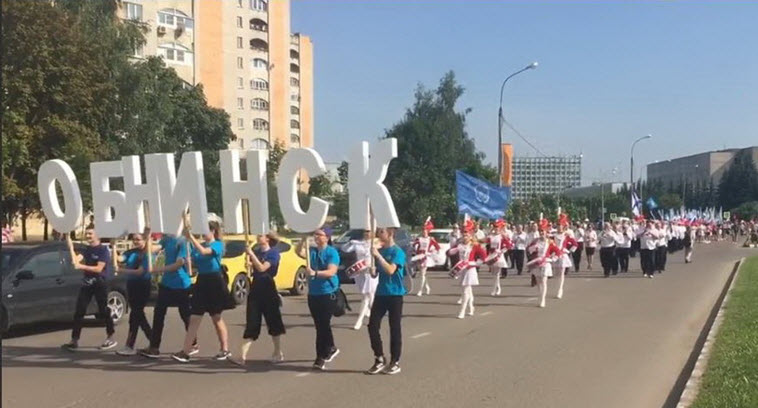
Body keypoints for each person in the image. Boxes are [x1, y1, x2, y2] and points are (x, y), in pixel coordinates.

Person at [172, 219, 233, 363]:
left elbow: (205, 252)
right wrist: (187, 262)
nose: (203, 234)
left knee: (216, 317)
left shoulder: (217, 245)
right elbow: (193, 260)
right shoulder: (199, 245)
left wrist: (191, 237)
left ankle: (225, 349)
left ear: (212, 231)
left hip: (214, 282)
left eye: (206, 231)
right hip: (202, 282)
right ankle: (185, 351)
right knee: (194, 317)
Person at [139, 232, 196, 359]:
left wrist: (157, 270)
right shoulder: (167, 239)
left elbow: (178, 264)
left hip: (181, 284)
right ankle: (154, 347)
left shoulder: (183, 241)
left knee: (185, 314)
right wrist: (147, 240)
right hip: (166, 283)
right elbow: (154, 248)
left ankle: (193, 343)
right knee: (158, 313)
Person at [61, 225, 117, 351]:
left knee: (103, 310)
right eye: (87, 234)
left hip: (100, 283)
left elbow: (98, 268)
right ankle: (74, 340)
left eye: (90, 234)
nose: (88, 236)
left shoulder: (103, 250)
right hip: (87, 283)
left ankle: (110, 336)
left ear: (97, 235)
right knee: (79, 311)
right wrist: (73, 254)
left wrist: (81, 267)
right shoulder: (87, 249)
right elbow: (77, 259)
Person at [234, 232, 286, 365]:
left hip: (268, 288)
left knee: (273, 321)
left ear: (267, 239)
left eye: (261, 235)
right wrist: (249, 264)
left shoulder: (273, 253)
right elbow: (255, 269)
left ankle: (277, 352)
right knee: (252, 320)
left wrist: (251, 255)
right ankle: (242, 356)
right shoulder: (257, 252)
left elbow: (263, 268)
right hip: (256, 288)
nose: (258, 237)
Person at [297, 228, 341, 371]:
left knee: (323, 324)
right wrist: (302, 240)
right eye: (315, 235)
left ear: (327, 237)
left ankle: (320, 357)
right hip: (313, 294)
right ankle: (331, 347)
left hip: (328, 293)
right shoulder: (313, 251)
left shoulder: (331, 252)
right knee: (320, 325)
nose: (316, 237)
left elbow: (331, 272)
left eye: (319, 235)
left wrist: (315, 273)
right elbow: (299, 252)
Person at [366, 227, 406, 375]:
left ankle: (395, 361)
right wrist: (373, 271)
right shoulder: (380, 251)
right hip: (381, 294)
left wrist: (378, 257)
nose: (378, 235)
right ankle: (379, 358)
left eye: (381, 232)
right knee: (372, 326)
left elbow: (390, 270)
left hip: (395, 294)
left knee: (394, 328)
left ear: (390, 234)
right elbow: (379, 272)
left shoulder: (397, 252)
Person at [115, 231, 153, 356]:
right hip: (131, 285)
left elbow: (140, 272)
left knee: (136, 315)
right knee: (137, 316)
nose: (136, 241)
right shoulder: (130, 252)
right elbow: (120, 259)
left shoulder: (147, 254)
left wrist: (121, 270)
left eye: (138, 239)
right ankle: (152, 342)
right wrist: (113, 247)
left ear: (144, 240)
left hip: (143, 285)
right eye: (134, 239)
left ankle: (137, 344)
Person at [448, 220, 486, 319]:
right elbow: (449, 253)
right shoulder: (459, 245)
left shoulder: (474, 245)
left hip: (470, 270)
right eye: (464, 235)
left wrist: (473, 263)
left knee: (465, 290)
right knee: (468, 290)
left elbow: (483, 257)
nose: (465, 237)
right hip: (462, 269)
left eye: (467, 235)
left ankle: (462, 311)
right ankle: (471, 307)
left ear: (470, 235)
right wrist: (454, 250)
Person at [342, 229, 377, 330]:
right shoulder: (358, 244)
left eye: (369, 231)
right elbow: (344, 249)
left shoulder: (376, 242)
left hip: (371, 272)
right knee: (367, 295)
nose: (367, 233)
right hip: (360, 272)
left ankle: (360, 320)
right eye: (365, 231)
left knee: (368, 295)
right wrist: (350, 242)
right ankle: (373, 314)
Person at [526, 228, 561, 308]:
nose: (541, 233)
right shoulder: (535, 241)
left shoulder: (550, 242)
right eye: (540, 231)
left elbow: (557, 251)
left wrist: (552, 259)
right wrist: (533, 249)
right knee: (538, 282)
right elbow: (529, 250)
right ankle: (540, 295)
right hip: (536, 263)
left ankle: (543, 299)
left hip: (545, 263)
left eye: (543, 231)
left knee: (544, 281)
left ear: (546, 232)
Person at [412, 218, 440, 297]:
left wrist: (431, 252)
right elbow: (414, 245)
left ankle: (420, 290)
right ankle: (427, 287)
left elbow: (437, 248)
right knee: (422, 274)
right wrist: (414, 250)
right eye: (423, 231)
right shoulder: (419, 239)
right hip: (419, 257)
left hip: (426, 258)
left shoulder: (430, 239)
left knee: (422, 274)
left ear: (427, 231)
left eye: (425, 231)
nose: (424, 232)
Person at [485, 219, 512, 297]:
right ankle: (498, 287)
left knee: (497, 274)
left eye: (497, 227)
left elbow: (509, 245)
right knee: (493, 273)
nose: (496, 228)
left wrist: (501, 251)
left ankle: (494, 289)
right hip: (491, 255)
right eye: (495, 227)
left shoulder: (502, 236)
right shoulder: (491, 236)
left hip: (499, 255)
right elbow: (485, 241)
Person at [552, 226, 577, 299]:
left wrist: (569, 251)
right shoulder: (553, 236)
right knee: (556, 273)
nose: (559, 229)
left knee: (561, 272)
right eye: (558, 227)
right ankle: (558, 286)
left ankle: (560, 289)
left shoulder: (566, 236)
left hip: (563, 255)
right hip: (555, 255)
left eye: (561, 227)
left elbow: (575, 244)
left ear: (563, 228)